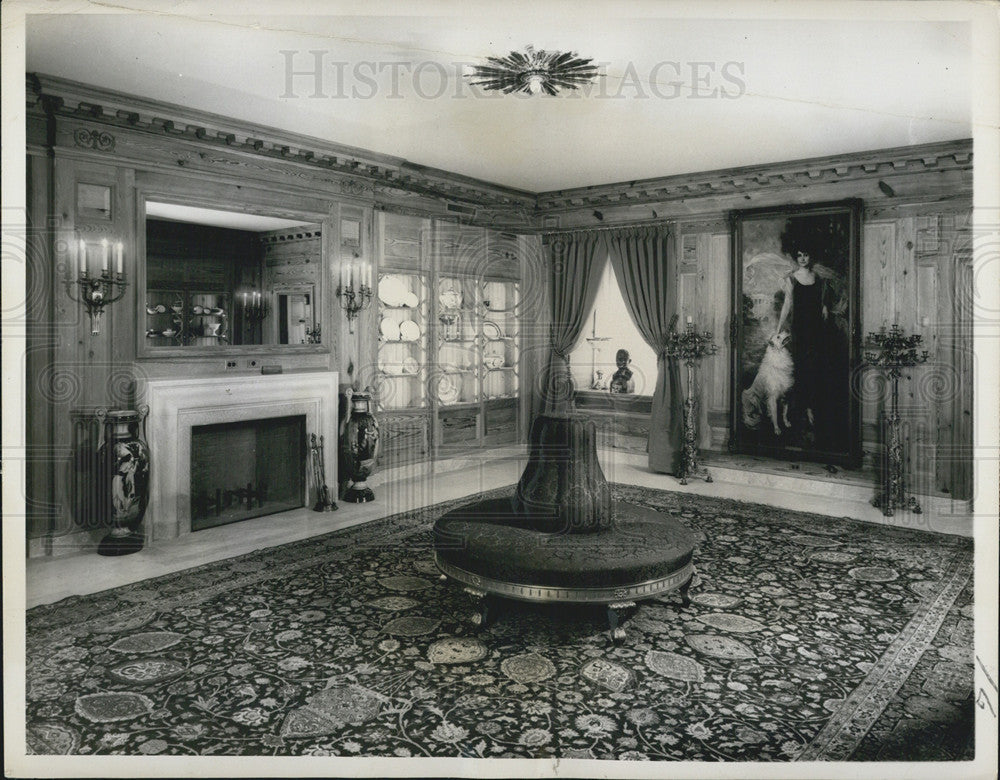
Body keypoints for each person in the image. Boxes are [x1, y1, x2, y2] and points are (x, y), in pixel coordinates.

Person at [775, 247, 828, 430]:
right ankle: (797, 411)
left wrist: (824, 307)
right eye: (799, 255)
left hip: (816, 330)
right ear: (795, 257)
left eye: (806, 254)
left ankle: (812, 409)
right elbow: (787, 304)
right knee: (800, 369)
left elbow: (821, 302)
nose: (803, 258)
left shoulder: (818, 278)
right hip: (800, 330)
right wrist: (778, 327)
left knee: (815, 369)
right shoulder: (791, 278)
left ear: (810, 256)